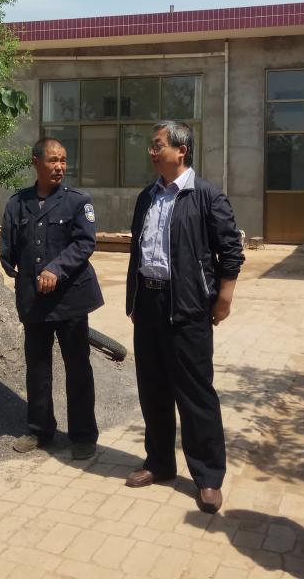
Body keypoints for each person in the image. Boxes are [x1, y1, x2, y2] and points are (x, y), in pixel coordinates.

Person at [123, 120, 244, 514]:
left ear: (181, 150)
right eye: (151, 145)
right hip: (150, 304)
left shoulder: (206, 195)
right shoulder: (147, 196)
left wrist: (223, 298)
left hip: (188, 308)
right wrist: (134, 301)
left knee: (195, 394)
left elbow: (231, 249)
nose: (151, 151)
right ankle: (159, 462)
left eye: (158, 145)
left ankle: (208, 477)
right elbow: (137, 251)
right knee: (153, 389)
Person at [0, 137, 103, 461]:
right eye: (53, 160)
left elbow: (85, 243)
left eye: (63, 160)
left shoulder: (77, 202)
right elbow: (8, 247)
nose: (59, 166)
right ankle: (40, 430)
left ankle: (83, 436)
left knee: (78, 367)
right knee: (37, 367)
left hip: (70, 298)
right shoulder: (18, 203)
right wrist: (18, 273)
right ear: (36, 162)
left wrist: (56, 268)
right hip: (35, 300)